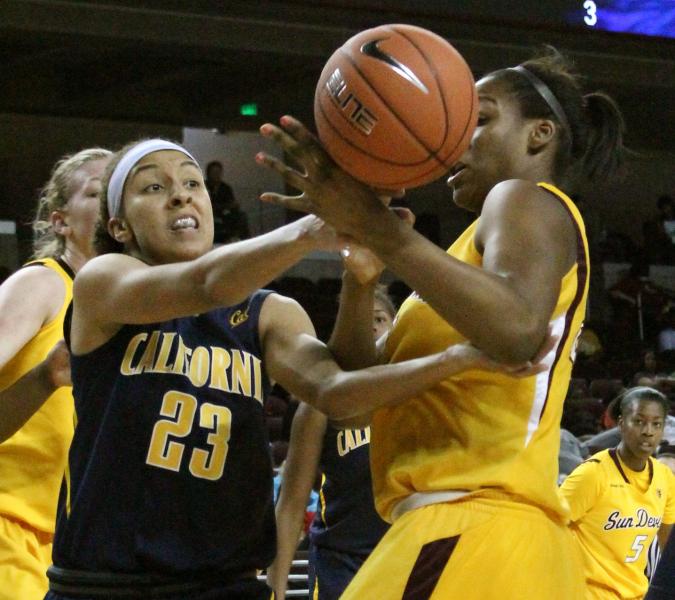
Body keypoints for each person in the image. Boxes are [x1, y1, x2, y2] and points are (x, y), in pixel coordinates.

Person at [45, 139, 545, 599]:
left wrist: (448, 351)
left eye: (192, 182)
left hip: (226, 585)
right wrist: (314, 226)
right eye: (154, 187)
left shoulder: (268, 313)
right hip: (103, 585)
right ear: (119, 227)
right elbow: (208, 284)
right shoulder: (102, 282)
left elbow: (339, 397)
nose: (180, 197)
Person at [256, 48, 627, 598]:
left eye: (479, 119)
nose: (457, 139)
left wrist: (380, 227)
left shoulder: (525, 197)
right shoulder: (458, 259)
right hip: (466, 533)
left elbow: (518, 329)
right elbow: (355, 396)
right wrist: (361, 276)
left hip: (473, 524)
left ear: (539, 135)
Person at [0, 147, 111, 599]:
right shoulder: (43, 283)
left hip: (75, 550)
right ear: (61, 220)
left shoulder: (127, 307)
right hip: (11, 529)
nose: (110, 207)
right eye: (96, 193)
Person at [267, 286, 396, 599]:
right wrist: (276, 588)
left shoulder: (417, 392)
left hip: (402, 550)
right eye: (361, 320)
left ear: (396, 325)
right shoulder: (321, 405)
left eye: (379, 318)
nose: (371, 327)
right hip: (341, 559)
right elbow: (292, 503)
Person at [560, 387, 675, 599]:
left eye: (656, 424)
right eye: (639, 421)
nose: (648, 431)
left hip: (636, 594)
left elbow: (668, 548)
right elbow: (547, 529)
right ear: (621, 425)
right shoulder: (592, 474)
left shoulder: (664, 477)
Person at [205, 160, 250, 244]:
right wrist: (224, 206)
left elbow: (231, 202)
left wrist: (233, 205)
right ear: (208, 173)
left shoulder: (225, 187)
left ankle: (239, 240)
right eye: (214, 172)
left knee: (240, 216)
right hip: (209, 213)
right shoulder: (203, 186)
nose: (216, 175)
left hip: (224, 213)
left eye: (218, 172)